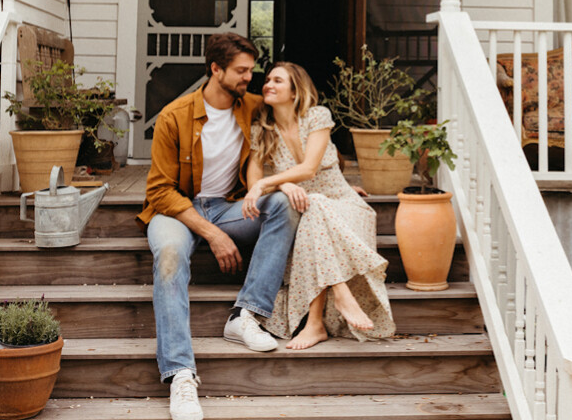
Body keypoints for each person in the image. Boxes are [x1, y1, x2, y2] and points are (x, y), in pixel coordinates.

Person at [137, 33, 300, 420]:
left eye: (251, 70)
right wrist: (212, 233)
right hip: (175, 212)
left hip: (227, 207)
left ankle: (245, 316)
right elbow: (159, 191)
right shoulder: (174, 116)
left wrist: (323, 178)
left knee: (282, 204)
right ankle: (180, 375)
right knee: (172, 255)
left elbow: (303, 123)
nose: (250, 78)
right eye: (241, 71)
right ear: (216, 69)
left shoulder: (254, 108)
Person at [243, 62, 395, 350]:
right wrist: (282, 184)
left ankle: (316, 323)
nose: (268, 85)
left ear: (295, 91)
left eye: (277, 80)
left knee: (316, 204)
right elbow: (254, 173)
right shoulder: (262, 129)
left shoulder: (317, 115)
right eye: (268, 80)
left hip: (343, 205)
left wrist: (268, 183)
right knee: (313, 205)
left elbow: (309, 169)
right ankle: (337, 297)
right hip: (309, 210)